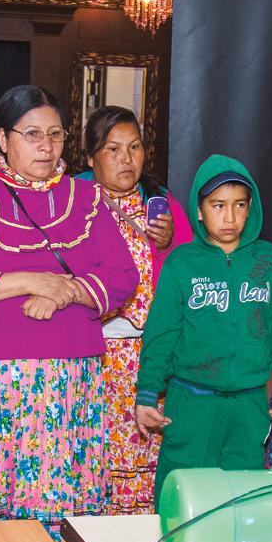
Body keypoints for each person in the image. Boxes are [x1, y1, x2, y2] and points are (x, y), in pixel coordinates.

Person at [0, 84, 138, 542]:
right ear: (3, 139)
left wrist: (66, 292)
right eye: (33, 134)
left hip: (66, 382)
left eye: (56, 135)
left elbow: (124, 275)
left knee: (56, 505)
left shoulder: (86, 199)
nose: (46, 146)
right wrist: (29, 281)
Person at [136, 155, 272, 500]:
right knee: (181, 496)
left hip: (249, 404)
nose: (230, 217)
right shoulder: (182, 262)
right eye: (218, 205)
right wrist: (148, 392)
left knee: (242, 500)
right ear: (199, 210)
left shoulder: (268, 260)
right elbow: (162, 333)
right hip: (192, 402)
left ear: (250, 207)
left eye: (239, 205)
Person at [76, 106, 193, 513]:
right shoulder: (73, 202)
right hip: (94, 356)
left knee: (146, 454)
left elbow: (189, 280)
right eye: (113, 149)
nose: (126, 159)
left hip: (150, 359)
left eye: (135, 147)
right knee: (93, 453)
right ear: (90, 156)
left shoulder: (162, 205)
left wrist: (167, 245)